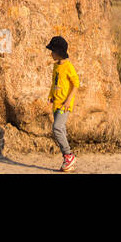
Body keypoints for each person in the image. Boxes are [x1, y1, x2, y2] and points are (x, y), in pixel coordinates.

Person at [46, 35, 79, 172]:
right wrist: (51, 96)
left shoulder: (68, 67)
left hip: (64, 105)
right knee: (61, 130)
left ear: (59, 52)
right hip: (56, 103)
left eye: (52, 51)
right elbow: (54, 83)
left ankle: (68, 155)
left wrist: (68, 100)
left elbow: (76, 84)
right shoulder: (56, 66)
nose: (51, 53)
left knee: (57, 128)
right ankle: (68, 161)